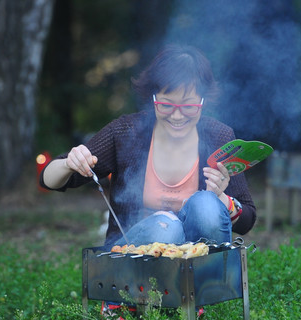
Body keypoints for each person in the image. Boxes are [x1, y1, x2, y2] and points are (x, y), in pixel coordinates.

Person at [40, 44, 256, 248]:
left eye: (188, 106)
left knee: (207, 205)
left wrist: (221, 199)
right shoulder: (127, 132)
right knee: (166, 227)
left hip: (196, 261)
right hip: (133, 259)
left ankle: (209, 285)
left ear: (203, 102)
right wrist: (69, 163)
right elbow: (49, 180)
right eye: (166, 105)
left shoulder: (219, 137)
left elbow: (247, 221)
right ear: (152, 98)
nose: (177, 115)